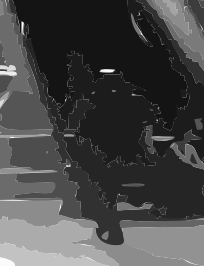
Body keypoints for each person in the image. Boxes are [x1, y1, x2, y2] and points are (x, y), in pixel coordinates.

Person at [66, 71, 157, 246]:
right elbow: (134, 130)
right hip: (117, 153)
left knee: (105, 189)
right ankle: (113, 224)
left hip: (100, 154)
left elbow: (81, 132)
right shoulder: (121, 105)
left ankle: (112, 225)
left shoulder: (91, 106)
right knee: (109, 188)